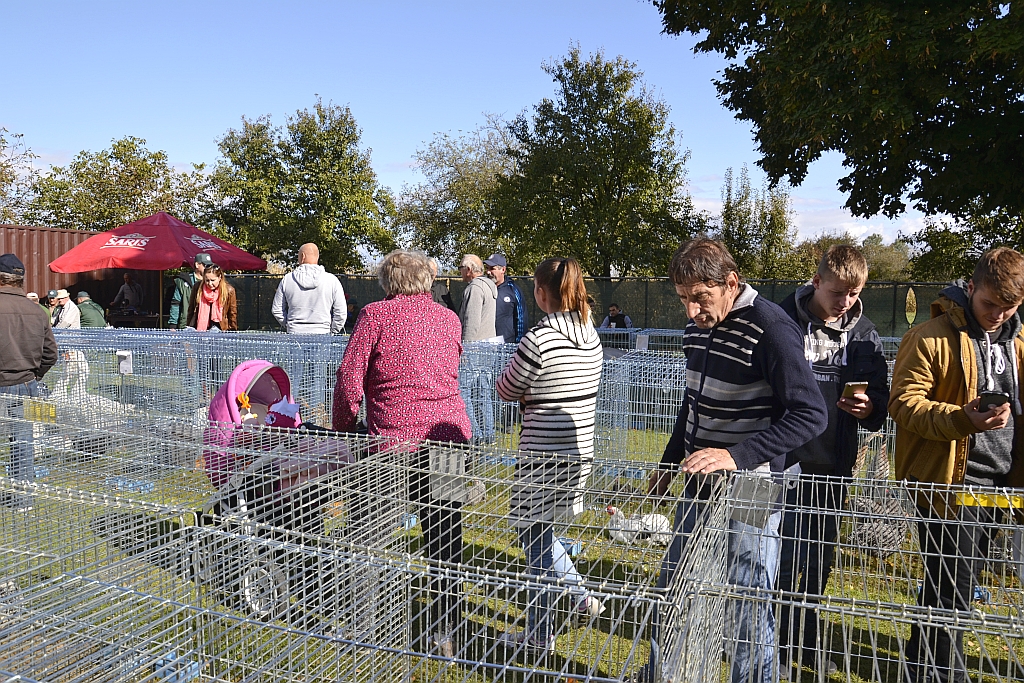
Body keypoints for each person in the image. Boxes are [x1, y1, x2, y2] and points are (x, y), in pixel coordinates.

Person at [640, 239, 827, 683]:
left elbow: (811, 414)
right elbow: (694, 402)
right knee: (675, 590)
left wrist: (735, 456)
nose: (691, 311)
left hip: (753, 489)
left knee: (746, 606)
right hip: (699, 482)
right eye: (683, 299)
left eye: (700, 298)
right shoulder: (696, 328)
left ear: (730, 283)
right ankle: (658, 677)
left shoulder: (771, 327)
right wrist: (668, 466)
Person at [889, 247, 1024, 683]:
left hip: (1001, 482)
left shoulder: (1019, 343)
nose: (998, 315)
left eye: (1010, 308)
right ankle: (947, 673)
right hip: (946, 480)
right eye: (989, 304)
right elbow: (903, 404)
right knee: (955, 586)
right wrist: (963, 417)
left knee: (948, 582)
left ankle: (919, 666)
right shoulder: (929, 336)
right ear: (970, 289)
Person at [332, 249, 471, 658]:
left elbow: (349, 376)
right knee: (445, 540)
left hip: (391, 441)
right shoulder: (449, 318)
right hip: (446, 437)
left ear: (389, 281)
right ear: (426, 280)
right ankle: (447, 630)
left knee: (370, 538)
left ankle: (365, 629)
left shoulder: (375, 315)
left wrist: (345, 428)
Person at [776, 245, 890, 676]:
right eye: (838, 291)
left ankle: (806, 632)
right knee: (783, 554)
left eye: (854, 292)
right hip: (785, 460)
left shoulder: (866, 334)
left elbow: (880, 397)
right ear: (816, 281)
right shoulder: (781, 321)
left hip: (834, 463)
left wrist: (871, 408)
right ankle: (776, 637)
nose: (845, 301)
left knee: (819, 557)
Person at [495, 257, 605, 654]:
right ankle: (580, 597)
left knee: (533, 536)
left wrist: (527, 393)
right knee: (542, 532)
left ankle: (540, 633)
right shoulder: (590, 332)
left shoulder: (539, 338)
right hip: (578, 450)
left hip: (542, 451)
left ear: (542, 293)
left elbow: (506, 389)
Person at [0, 254, 58, 511]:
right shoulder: (38, 311)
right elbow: (50, 354)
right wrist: (34, 375)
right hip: (25, 384)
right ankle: (23, 501)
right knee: (23, 444)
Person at [271, 243, 347, 334]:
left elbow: (276, 310)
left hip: (295, 333)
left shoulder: (287, 279)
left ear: (302, 256)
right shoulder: (332, 280)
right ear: (317, 257)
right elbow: (341, 313)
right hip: (322, 333)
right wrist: (332, 331)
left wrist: (290, 325)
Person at [484, 253, 528, 344]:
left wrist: (518, 345)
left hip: (507, 347)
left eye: (492, 268)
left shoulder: (513, 290)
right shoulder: (483, 288)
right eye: (487, 268)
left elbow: (521, 319)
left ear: (503, 270)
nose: (488, 272)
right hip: (485, 346)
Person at [186, 264, 238, 331]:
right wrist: (188, 327)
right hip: (199, 328)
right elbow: (191, 309)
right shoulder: (198, 287)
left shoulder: (229, 290)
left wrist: (232, 331)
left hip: (220, 329)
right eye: (207, 280)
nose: (210, 284)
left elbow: (232, 314)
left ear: (219, 278)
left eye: (213, 280)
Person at [458, 254, 497, 341]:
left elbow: (471, 324)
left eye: (460, 268)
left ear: (468, 269)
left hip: (476, 349)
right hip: (488, 346)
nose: (460, 271)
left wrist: (465, 350)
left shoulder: (475, 288)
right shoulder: (488, 285)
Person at [169, 253, 211, 328]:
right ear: (197, 265)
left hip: (208, 326)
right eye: (206, 265)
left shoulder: (213, 282)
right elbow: (175, 303)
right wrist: (173, 325)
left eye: (210, 266)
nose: (208, 268)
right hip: (187, 326)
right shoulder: (183, 282)